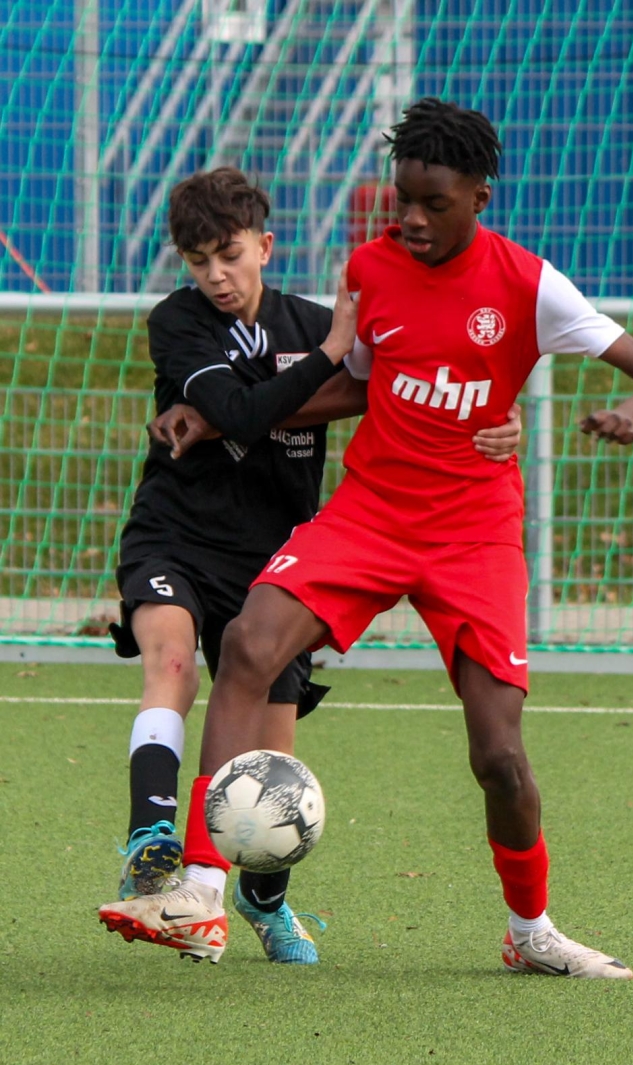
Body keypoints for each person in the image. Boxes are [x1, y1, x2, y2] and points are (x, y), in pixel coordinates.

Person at [100, 99, 633, 976]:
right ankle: (203, 888)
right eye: (401, 199)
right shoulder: (371, 268)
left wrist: (630, 413)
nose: (409, 217)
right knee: (249, 643)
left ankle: (531, 931)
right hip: (371, 511)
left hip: (475, 533)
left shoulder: (530, 284)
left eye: (431, 203)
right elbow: (360, 387)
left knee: (499, 756)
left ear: (479, 198)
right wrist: (216, 420)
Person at [101, 164, 523, 965]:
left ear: (265, 246)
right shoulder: (180, 322)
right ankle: (152, 839)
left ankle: (264, 902)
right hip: (176, 535)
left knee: (273, 767)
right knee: (171, 661)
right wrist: (327, 355)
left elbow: (404, 382)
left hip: (277, 558)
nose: (217, 276)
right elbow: (238, 412)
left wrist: (501, 421)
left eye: (230, 255)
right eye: (199, 261)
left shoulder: (311, 320)